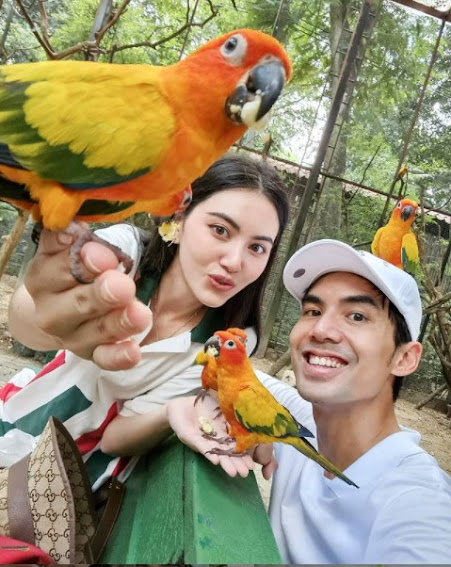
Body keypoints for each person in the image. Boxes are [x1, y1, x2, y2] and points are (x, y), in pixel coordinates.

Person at [4, 153, 288, 489]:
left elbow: (114, 438)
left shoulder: (229, 342)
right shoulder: (126, 253)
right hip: (13, 427)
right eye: (220, 230)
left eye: (257, 248)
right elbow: (26, 320)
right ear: (179, 220)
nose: (234, 261)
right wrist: (46, 313)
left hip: (66, 485)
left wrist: (173, 412)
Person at [168, 239, 451, 563]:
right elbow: (231, 377)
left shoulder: (420, 503)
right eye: (313, 311)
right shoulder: (302, 411)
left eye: (357, 316)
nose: (321, 329)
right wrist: (185, 404)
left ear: (404, 358)